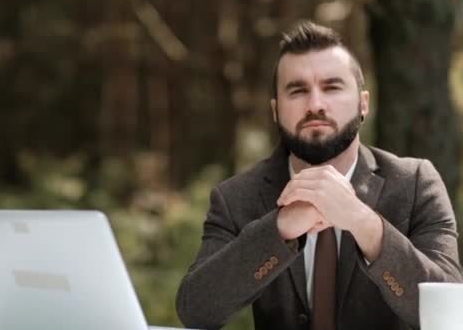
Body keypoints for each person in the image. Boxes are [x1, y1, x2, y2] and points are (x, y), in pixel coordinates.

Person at [175, 21, 463, 330]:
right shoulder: (236, 198)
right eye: (297, 91)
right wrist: (278, 229)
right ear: (275, 110)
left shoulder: (416, 184)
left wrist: (364, 223)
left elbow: (448, 317)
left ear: (362, 103)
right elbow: (195, 310)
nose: (315, 105)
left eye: (332, 87)